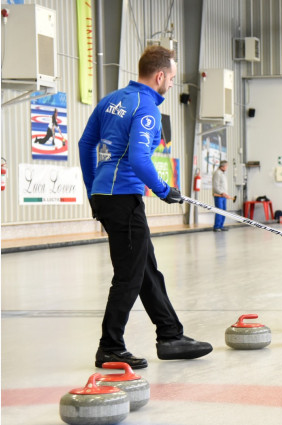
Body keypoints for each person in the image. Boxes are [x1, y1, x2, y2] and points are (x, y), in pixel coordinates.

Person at [78, 45, 212, 369]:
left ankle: (170, 335)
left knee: (146, 268)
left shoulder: (112, 100)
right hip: (123, 198)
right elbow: (139, 159)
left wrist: (92, 190)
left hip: (108, 196)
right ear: (160, 75)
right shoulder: (147, 106)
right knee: (129, 274)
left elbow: (85, 145)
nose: (171, 85)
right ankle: (110, 346)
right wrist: (164, 190)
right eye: (172, 79)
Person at [212, 160, 232, 232]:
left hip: (223, 196)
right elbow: (215, 186)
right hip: (219, 196)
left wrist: (225, 193)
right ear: (222, 166)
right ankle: (217, 226)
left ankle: (221, 226)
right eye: (226, 166)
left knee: (224, 211)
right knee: (219, 211)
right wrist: (222, 193)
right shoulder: (217, 173)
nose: (227, 167)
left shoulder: (223, 174)